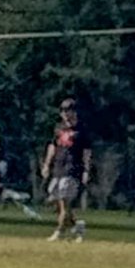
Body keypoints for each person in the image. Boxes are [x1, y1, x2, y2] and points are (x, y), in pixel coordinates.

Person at [42, 96, 92, 242]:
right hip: (58, 168)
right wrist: (47, 164)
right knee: (56, 201)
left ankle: (59, 232)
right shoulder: (59, 128)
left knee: (64, 202)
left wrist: (86, 170)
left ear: (74, 112)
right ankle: (77, 226)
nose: (64, 113)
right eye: (62, 110)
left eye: (67, 110)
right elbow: (52, 146)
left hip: (72, 169)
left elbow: (87, 152)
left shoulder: (81, 130)